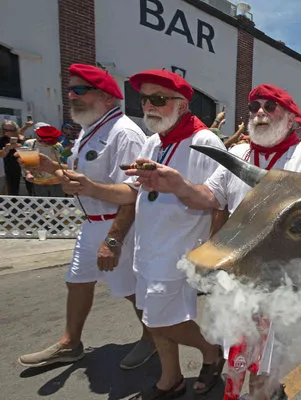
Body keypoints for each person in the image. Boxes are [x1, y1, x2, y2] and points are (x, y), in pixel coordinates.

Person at [126, 83, 301, 400]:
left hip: (284, 283)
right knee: (238, 360)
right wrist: (178, 185)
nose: (259, 113)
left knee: (261, 374)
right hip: (238, 278)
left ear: (292, 119)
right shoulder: (239, 153)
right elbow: (210, 197)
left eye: (270, 107)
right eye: (254, 106)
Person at [61, 69, 227, 399]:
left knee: (160, 321)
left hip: (180, 250)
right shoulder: (153, 141)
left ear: (182, 105)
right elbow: (132, 193)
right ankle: (171, 379)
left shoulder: (204, 141)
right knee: (153, 318)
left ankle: (211, 351)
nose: (149, 106)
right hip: (148, 245)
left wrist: (212, 253)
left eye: (159, 100)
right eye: (145, 99)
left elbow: (220, 201)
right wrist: (92, 187)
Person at [17, 64, 153, 371]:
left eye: (80, 90)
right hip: (91, 223)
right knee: (77, 282)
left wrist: (114, 239)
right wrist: (50, 172)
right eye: (70, 90)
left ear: (106, 97)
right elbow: (85, 180)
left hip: (117, 223)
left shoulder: (125, 132)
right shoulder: (90, 129)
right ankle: (70, 343)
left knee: (131, 290)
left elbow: (132, 192)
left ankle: (154, 338)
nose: (71, 96)